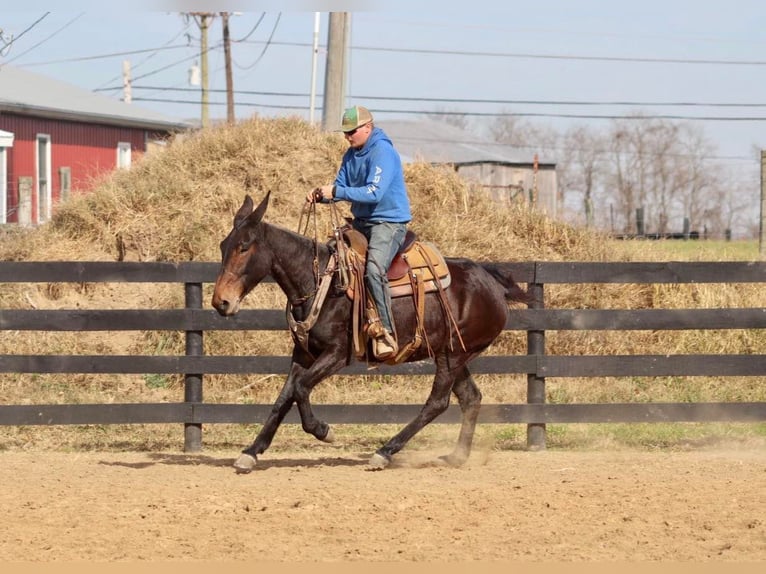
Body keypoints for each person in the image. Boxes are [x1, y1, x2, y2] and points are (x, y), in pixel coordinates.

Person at [307, 105, 412, 360]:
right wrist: (321, 195)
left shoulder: (383, 152)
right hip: (362, 221)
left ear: (367, 127)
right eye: (345, 132)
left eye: (352, 131)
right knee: (332, 261)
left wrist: (338, 192)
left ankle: (387, 331)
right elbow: (340, 186)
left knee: (374, 270)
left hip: (388, 223)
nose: (348, 136)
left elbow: (374, 192)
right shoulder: (350, 155)